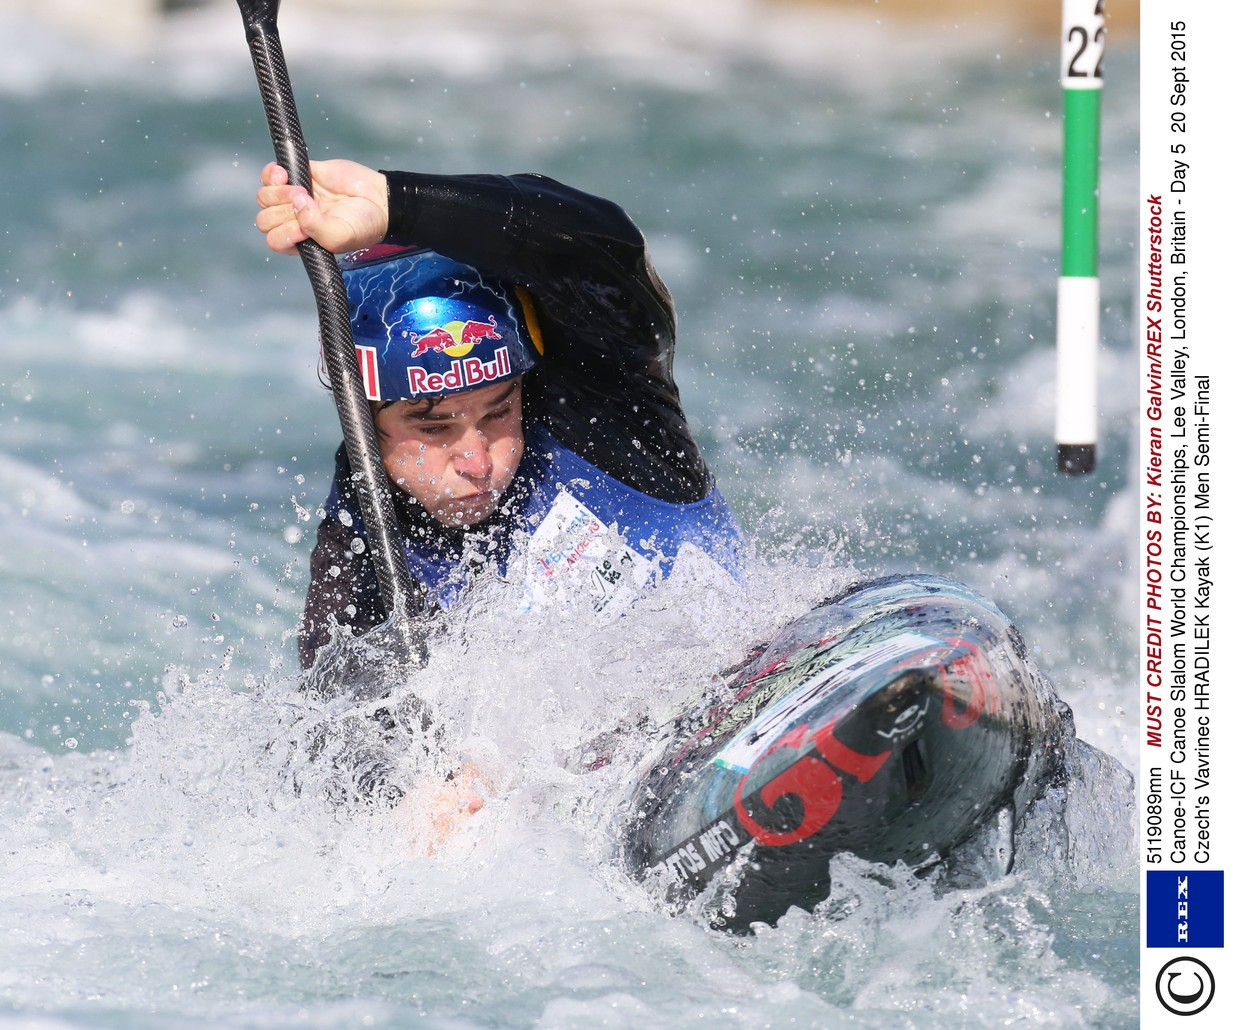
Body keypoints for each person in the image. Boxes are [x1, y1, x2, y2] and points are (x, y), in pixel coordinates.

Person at [254, 160, 746, 671]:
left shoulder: (604, 411)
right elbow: (342, 725)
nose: (477, 462)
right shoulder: (364, 542)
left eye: (497, 414)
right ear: (365, 425)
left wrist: (396, 202)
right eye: (434, 427)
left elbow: (599, 249)